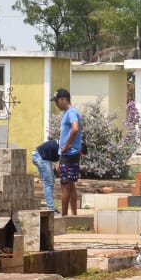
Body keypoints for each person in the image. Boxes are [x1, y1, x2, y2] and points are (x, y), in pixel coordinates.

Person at [54, 88, 82, 216]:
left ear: (63, 100)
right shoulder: (69, 112)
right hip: (69, 154)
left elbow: (75, 128)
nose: (57, 105)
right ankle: (74, 215)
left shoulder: (71, 112)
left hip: (69, 153)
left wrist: (67, 145)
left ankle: (64, 216)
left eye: (57, 101)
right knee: (71, 185)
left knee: (65, 185)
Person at [31, 138, 59, 212]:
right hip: (40, 156)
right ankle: (50, 208)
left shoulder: (65, 143)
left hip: (43, 157)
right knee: (48, 183)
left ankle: (51, 206)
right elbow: (58, 165)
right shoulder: (66, 145)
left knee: (51, 181)